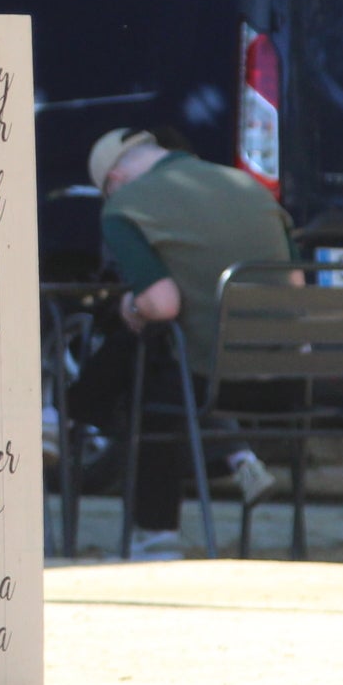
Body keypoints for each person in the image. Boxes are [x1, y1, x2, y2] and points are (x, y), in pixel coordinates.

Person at [89, 126, 291, 559]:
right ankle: (240, 459)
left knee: (150, 372)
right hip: (292, 385)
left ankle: (155, 536)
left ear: (115, 182)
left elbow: (161, 305)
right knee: (168, 372)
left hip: (211, 386)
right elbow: (295, 286)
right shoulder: (252, 190)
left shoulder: (126, 207)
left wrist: (131, 307)